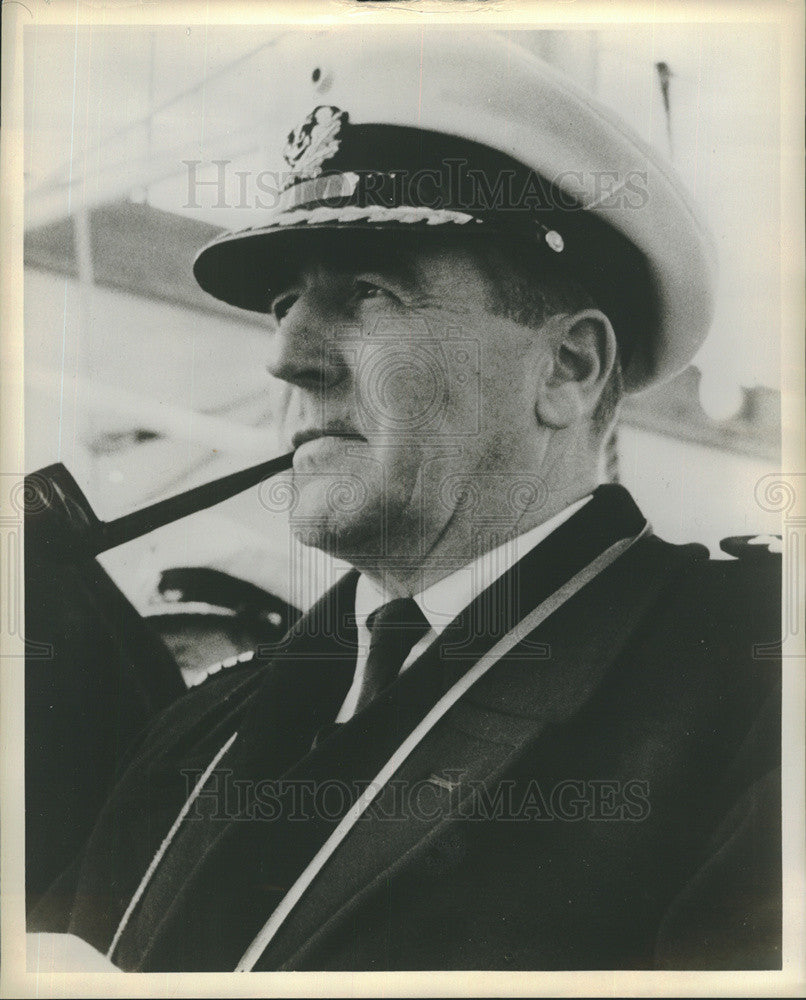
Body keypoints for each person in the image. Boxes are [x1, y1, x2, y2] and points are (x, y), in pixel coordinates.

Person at [30, 31, 781, 971]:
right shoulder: (201, 731)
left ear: (569, 367)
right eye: (285, 304)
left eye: (373, 293)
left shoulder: (755, 698)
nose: (288, 356)